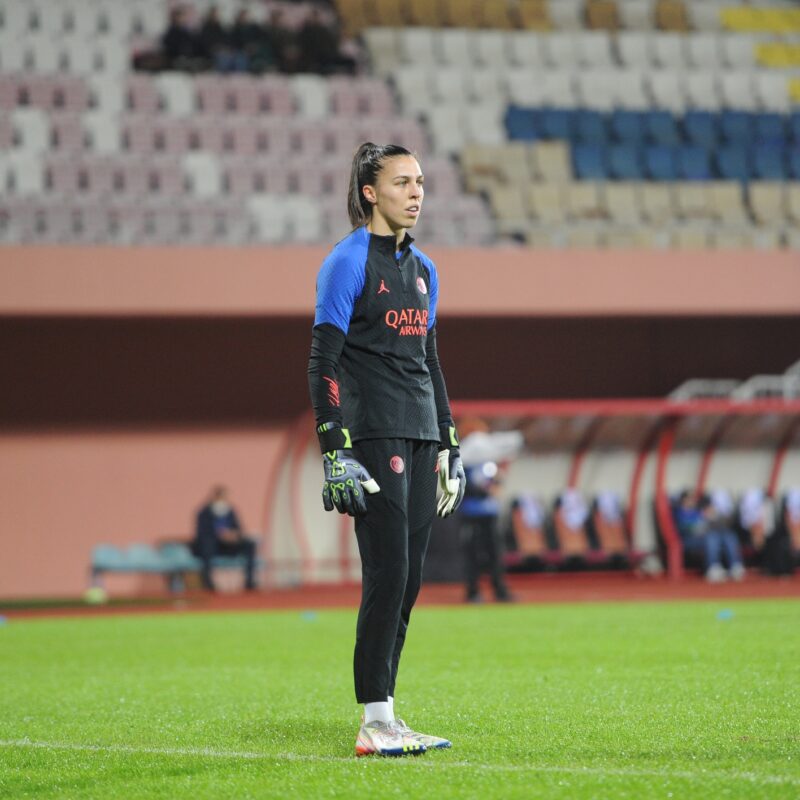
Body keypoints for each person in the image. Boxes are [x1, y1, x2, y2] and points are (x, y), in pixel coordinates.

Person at [307, 142, 465, 757]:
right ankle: (374, 720)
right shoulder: (346, 262)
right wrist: (334, 449)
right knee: (388, 572)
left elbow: (431, 361)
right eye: (403, 182)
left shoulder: (425, 270)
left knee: (411, 578)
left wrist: (450, 442)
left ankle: (389, 716)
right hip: (373, 436)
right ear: (370, 193)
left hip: (422, 434)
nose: (417, 192)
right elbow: (322, 363)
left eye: (420, 181)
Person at [192, 485, 257, 592]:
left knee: (249, 545)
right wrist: (219, 535)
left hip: (228, 545)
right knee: (207, 545)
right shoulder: (204, 513)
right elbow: (201, 533)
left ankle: (249, 581)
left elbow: (238, 528)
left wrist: (233, 535)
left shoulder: (230, 512)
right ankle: (208, 583)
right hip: (213, 546)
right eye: (221, 497)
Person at [673, 489, 744, 582]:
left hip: (703, 537)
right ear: (684, 500)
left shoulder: (697, 511)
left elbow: (709, 524)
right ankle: (712, 567)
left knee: (727, 535)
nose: (693, 501)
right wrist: (703, 523)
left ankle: (735, 565)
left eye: (693, 499)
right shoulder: (680, 512)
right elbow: (687, 529)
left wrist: (712, 518)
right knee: (711, 538)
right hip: (688, 540)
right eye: (690, 499)